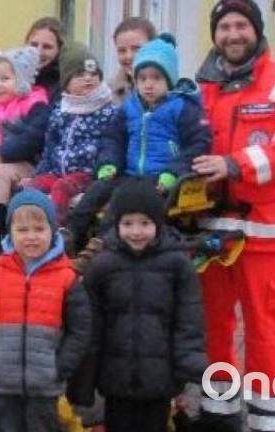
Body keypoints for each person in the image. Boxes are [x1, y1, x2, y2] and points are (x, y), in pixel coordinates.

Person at [190, 0, 275, 432]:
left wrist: (234, 164)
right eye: (224, 27)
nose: (233, 34)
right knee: (214, 329)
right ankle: (219, 414)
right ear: (215, 35)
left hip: (270, 235)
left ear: (257, 30)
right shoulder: (200, 88)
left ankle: (272, 422)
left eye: (241, 26)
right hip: (213, 234)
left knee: (268, 333)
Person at [73, 180, 206, 432]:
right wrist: (84, 379)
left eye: (145, 223)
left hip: (160, 376)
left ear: (158, 223)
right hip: (116, 376)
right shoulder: (102, 266)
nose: (136, 232)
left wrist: (190, 362)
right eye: (128, 223)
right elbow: (91, 326)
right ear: (116, 224)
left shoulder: (177, 265)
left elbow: (189, 319)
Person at [69, 34, 212, 249]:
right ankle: (72, 237)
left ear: (170, 80)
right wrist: (109, 163)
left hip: (159, 178)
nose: (148, 85)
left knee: (121, 202)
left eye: (156, 78)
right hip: (129, 173)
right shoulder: (130, 107)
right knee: (96, 191)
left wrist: (173, 172)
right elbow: (113, 139)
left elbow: (198, 144)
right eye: (142, 78)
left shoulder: (182, 108)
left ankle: (101, 247)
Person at [0, 190, 91, 432]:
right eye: (22, 230)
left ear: (52, 231)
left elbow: (80, 329)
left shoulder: (66, 278)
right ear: (9, 233)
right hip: (3, 378)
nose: (31, 237)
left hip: (46, 382)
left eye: (39, 229)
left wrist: (62, 365)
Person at [0, 47, 53, 246]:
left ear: (21, 79)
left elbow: (32, 137)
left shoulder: (34, 104)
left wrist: (1, 156)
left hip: (30, 162)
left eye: (5, 79)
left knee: (0, 173)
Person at [29, 44, 118, 227]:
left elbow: (111, 145)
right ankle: (29, 228)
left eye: (93, 74)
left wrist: (104, 169)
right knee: (32, 188)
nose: (88, 78)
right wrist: (39, 172)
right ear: (66, 84)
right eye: (79, 75)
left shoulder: (108, 111)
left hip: (86, 173)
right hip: (57, 172)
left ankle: (58, 229)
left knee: (61, 188)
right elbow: (50, 146)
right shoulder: (61, 110)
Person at [109, 17, 157, 106]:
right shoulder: (108, 93)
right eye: (122, 50)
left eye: (136, 49)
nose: (129, 56)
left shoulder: (169, 92)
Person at [24, 17, 66, 102]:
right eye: (34, 45)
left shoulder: (64, 87)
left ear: (60, 50)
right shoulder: (11, 77)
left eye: (47, 47)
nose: (38, 52)